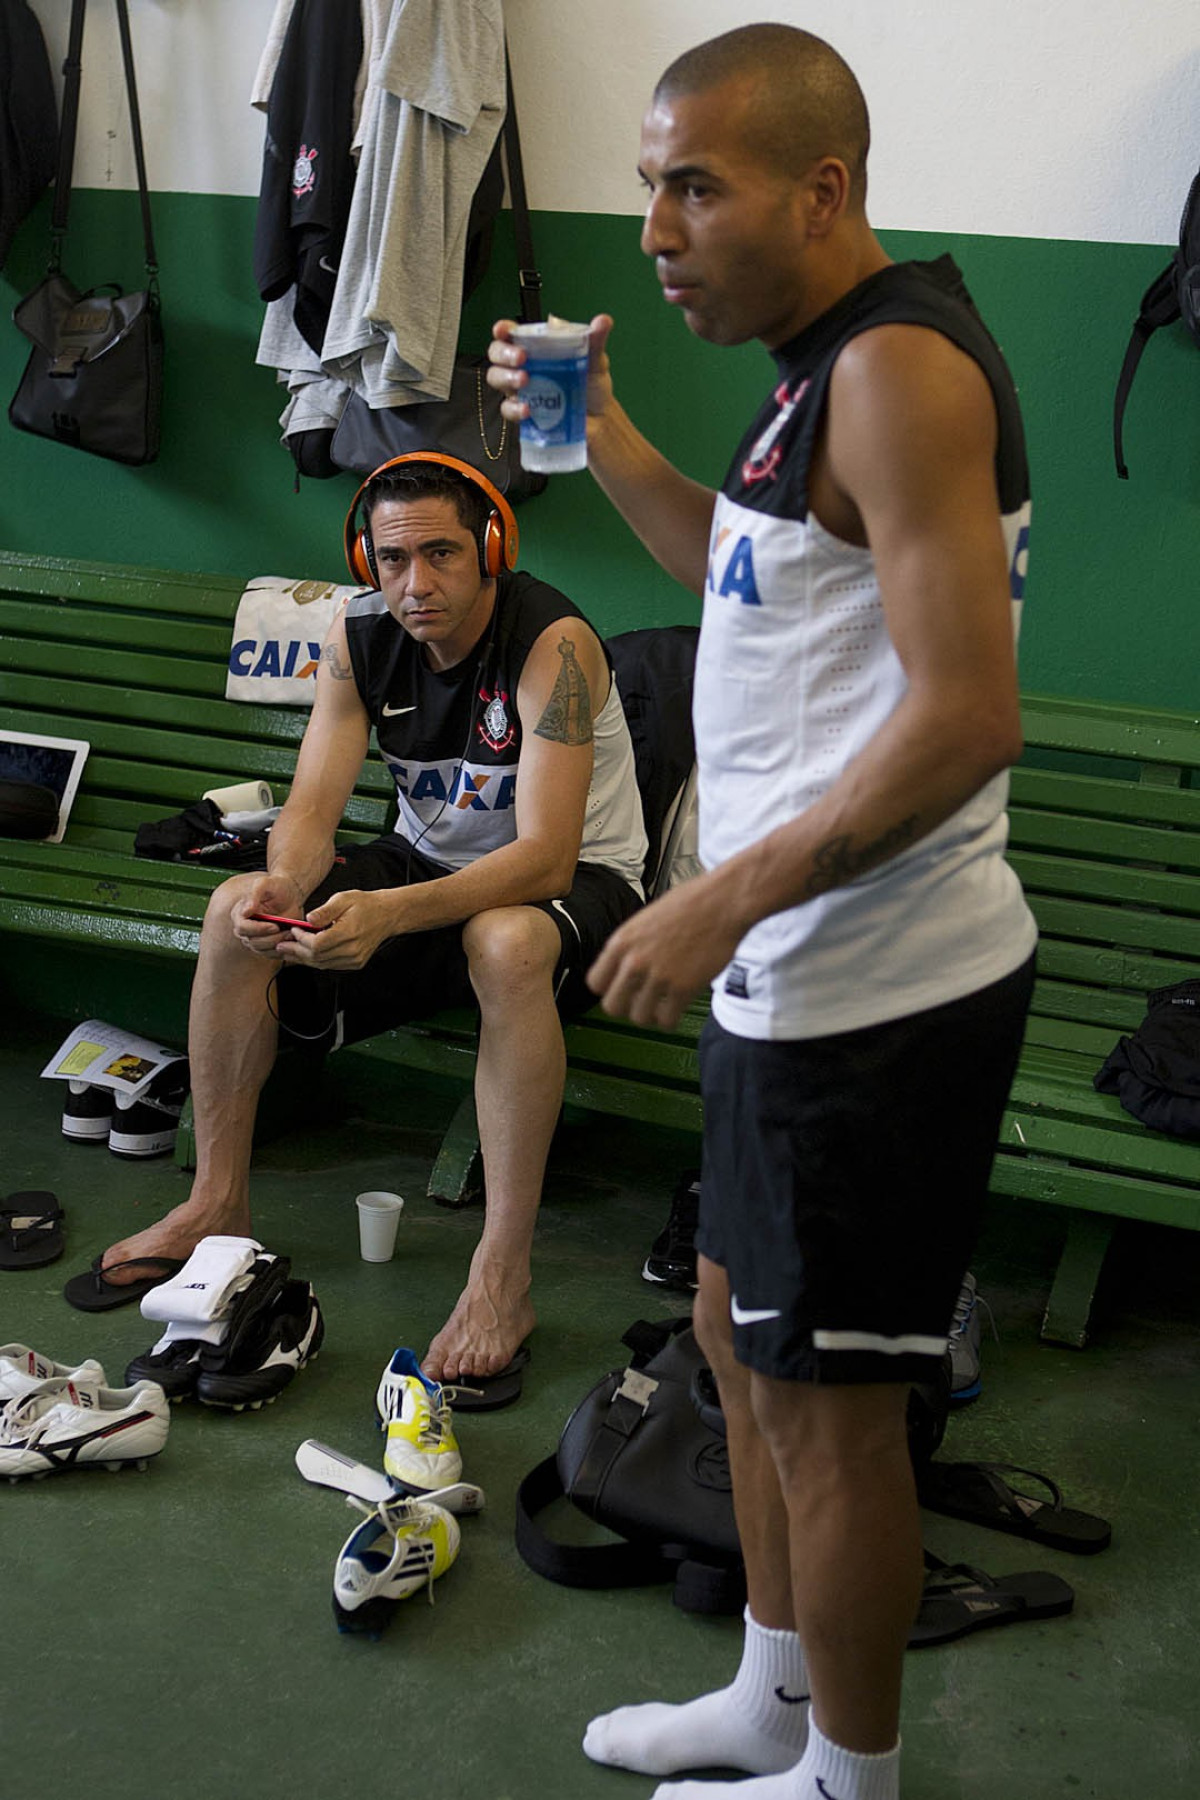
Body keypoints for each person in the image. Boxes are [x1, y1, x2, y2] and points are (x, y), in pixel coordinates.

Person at [490, 23, 1037, 1800]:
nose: (656, 225)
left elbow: (966, 712)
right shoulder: (814, 367)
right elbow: (745, 593)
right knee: (738, 1343)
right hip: (793, 976)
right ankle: (770, 1696)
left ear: (823, 189)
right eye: (650, 182)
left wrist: (722, 894)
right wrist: (609, 434)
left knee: (831, 1416)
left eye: (694, 184)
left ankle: (847, 1781)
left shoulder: (896, 372)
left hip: (877, 988)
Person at [93, 453, 647, 1387]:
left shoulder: (556, 644)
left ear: (491, 549)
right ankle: (217, 1201)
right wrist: (282, 886)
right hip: (428, 869)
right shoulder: (358, 635)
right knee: (233, 909)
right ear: (365, 559)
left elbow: (550, 855)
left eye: (440, 553)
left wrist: (388, 912)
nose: (415, 583)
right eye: (393, 559)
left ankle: (502, 1276)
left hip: (579, 882)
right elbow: (312, 806)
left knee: (503, 940)